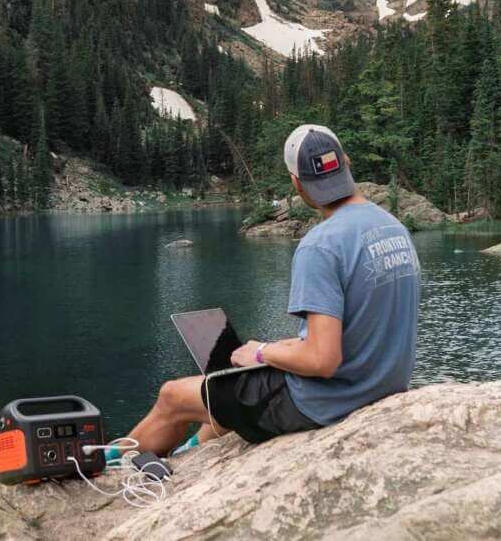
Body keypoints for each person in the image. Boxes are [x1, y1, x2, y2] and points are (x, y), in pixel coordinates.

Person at [121, 124, 421, 457]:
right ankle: (195, 453)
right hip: (378, 388)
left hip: (325, 403)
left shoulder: (320, 245)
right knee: (230, 382)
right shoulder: (393, 227)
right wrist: (271, 351)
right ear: (346, 163)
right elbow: (357, 331)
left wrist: (262, 353)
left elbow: (323, 360)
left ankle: (105, 466)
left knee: (173, 396)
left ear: (296, 182)